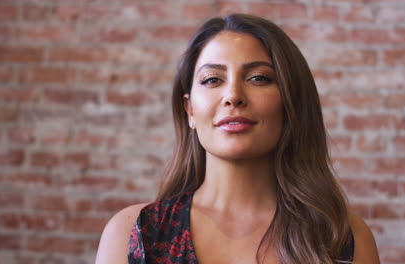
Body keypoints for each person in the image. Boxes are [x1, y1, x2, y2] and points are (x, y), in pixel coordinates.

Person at [95, 14, 380, 264]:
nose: (233, 95)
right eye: (212, 80)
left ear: (291, 102)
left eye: (258, 78)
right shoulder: (135, 233)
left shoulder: (342, 238)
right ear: (190, 110)